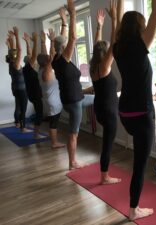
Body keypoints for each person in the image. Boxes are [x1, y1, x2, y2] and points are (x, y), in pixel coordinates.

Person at [113, 0, 156, 220]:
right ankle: (134, 210)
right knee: (140, 166)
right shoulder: (140, 46)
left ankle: (134, 207)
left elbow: (118, 30)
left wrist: (118, 13)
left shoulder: (118, 47)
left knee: (138, 163)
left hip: (125, 113)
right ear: (140, 28)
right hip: (142, 114)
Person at [52, 1, 94, 170]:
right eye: (66, 45)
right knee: (73, 133)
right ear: (63, 48)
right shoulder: (62, 60)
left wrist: (63, 20)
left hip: (77, 98)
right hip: (74, 102)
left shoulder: (55, 58)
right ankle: (72, 162)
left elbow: (61, 40)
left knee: (99, 98)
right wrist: (73, 13)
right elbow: (73, 38)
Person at [89, 0, 122, 184]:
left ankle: (104, 174)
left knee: (106, 142)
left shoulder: (95, 67)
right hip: (108, 112)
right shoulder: (104, 66)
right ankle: (104, 176)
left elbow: (98, 44)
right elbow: (114, 41)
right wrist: (115, 18)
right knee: (107, 145)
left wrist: (99, 26)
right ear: (105, 53)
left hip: (99, 109)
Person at [36, 29, 65, 149]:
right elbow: (51, 56)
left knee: (53, 121)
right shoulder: (47, 71)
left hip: (49, 100)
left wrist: (43, 42)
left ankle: (54, 141)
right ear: (46, 62)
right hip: (53, 101)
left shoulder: (40, 70)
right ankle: (54, 142)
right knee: (54, 122)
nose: (49, 58)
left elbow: (46, 56)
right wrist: (52, 41)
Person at [6, 27, 30, 133]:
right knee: (23, 108)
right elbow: (19, 50)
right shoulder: (16, 64)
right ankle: (23, 128)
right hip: (21, 90)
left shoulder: (11, 64)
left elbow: (13, 52)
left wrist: (11, 42)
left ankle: (17, 123)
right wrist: (16, 35)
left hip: (15, 89)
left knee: (18, 106)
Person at [22, 32, 45, 139]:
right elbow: (34, 55)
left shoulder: (26, 68)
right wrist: (35, 41)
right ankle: (36, 134)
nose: (35, 61)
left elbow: (30, 55)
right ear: (30, 62)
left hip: (31, 93)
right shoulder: (29, 68)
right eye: (33, 60)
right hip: (34, 94)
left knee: (39, 112)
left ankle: (36, 133)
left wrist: (27, 42)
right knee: (39, 113)